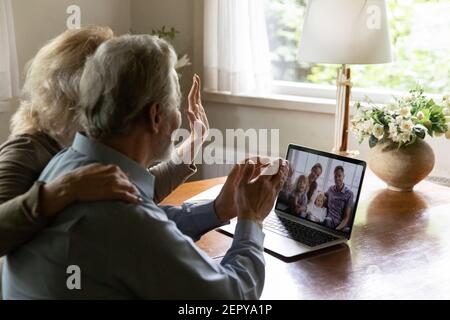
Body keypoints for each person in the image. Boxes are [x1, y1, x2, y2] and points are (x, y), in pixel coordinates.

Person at [2, 34, 289, 299]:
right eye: (175, 107)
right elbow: (230, 298)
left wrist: (216, 210)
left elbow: (143, 225)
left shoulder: (67, 163)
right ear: (155, 115)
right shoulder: (121, 215)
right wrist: (251, 219)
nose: (178, 119)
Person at [0, 27, 207, 294]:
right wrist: (61, 191)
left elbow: (124, 190)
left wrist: (193, 145)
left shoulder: (90, 142)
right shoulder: (28, 148)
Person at [324, 166, 354, 231]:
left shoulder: (349, 194)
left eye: (339, 176)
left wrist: (337, 229)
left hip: (339, 224)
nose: (337, 178)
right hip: (328, 220)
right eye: (335, 176)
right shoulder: (330, 189)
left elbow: (346, 217)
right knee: (327, 220)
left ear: (343, 176)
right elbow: (321, 196)